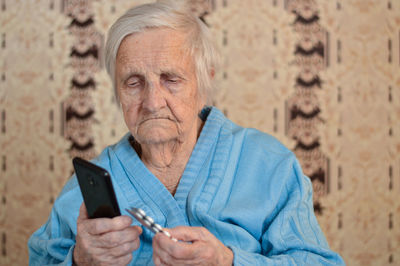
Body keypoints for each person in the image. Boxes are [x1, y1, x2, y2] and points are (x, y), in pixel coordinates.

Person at [28, 1, 345, 265]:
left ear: (204, 83)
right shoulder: (90, 184)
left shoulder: (268, 164)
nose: (152, 103)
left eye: (171, 79)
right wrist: (79, 259)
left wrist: (229, 260)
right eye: (133, 82)